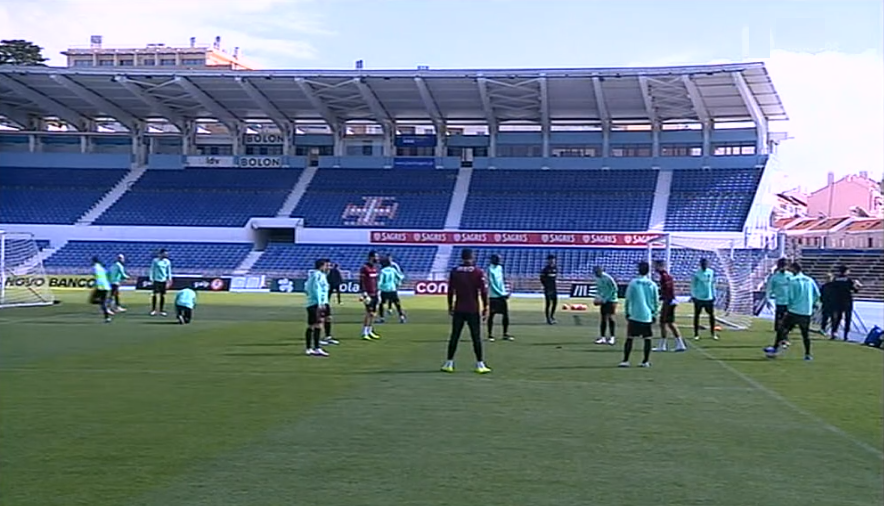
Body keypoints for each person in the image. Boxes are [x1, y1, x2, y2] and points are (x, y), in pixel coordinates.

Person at [441, 248, 491, 374]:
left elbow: (450, 290)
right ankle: (480, 364)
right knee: (476, 337)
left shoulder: (455, 271)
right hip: (473, 308)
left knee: (454, 336)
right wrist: (486, 306)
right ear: (472, 257)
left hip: (459, 308)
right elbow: (483, 291)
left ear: (461, 257)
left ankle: (449, 363)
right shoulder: (478, 272)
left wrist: (450, 305)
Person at [765, 262, 819, 360]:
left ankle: (776, 347)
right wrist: (811, 304)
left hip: (794, 310)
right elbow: (817, 295)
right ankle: (808, 354)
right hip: (806, 311)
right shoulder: (810, 280)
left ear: (794, 269)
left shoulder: (792, 281)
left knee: (782, 328)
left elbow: (790, 297)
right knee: (805, 334)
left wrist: (790, 305)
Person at [620, 261, 659, 368]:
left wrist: (627, 312)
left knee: (630, 338)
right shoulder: (652, 284)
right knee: (647, 339)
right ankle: (645, 361)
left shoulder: (633, 283)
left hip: (635, 315)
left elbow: (628, 299)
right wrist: (655, 313)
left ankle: (625, 360)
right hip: (647, 315)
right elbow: (656, 301)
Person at [654, 261, 686, 352]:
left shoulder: (664, 277)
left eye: (656, 266)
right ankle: (679, 344)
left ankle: (663, 345)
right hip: (670, 301)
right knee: (669, 323)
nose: (654, 268)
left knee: (663, 322)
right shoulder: (666, 276)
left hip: (669, 301)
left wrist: (663, 298)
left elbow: (668, 290)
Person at [304, 258, 331, 357]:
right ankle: (315, 348)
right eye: (325, 265)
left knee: (313, 325)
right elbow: (317, 289)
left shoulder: (315, 275)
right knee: (317, 325)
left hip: (313, 303)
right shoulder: (317, 275)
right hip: (316, 303)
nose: (327, 267)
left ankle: (310, 348)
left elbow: (306, 288)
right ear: (321, 266)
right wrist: (320, 302)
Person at [829, 265, 862, 341]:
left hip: (837, 301)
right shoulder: (848, 280)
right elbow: (855, 290)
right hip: (847, 301)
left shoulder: (835, 279)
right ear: (846, 271)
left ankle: (833, 333)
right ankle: (845, 336)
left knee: (837, 318)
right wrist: (858, 285)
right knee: (847, 318)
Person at [691, 258, 718, 340]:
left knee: (711, 315)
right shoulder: (696, 273)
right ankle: (696, 334)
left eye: (706, 263)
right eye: (703, 263)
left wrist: (714, 295)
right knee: (697, 315)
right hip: (699, 298)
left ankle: (713, 333)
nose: (704, 265)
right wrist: (693, 295)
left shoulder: (711, 272)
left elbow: (713, 284)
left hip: (709, 298)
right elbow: (693, 285)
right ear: (700, 264)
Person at [487, 254, 513, 341]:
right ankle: (490, 334)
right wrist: (500, 293)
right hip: (494, 296)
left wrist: (505, 291)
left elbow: (501, 281)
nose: (499, 260)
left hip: (502, 294)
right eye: (497, 259)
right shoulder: (490, 269)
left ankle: (505, 334)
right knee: (491, 315)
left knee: (505, 315)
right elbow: (492, 283)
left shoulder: (500, 268)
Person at [592, 266, 618, 345]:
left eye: (597, 272)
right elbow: (599, 289)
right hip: (603, 300)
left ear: (600, 271)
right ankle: (602, 337)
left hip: (611, 300)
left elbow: (614, 289)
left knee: (611, 318)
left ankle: (612, 337)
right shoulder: (597, 279)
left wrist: (606, 299)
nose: (596, 274)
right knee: (603, 318)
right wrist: (597, 297)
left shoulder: (608, 278)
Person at [766, 258, 793, 333]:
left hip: (789, 301)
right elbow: (769, 288)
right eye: (781, 266)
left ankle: (786, 331)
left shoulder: (791, 276)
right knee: (779, 318)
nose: (783, 268)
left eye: (784, 266)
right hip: (779, 301)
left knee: (789, 318)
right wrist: (767, 299)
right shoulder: (775, 277)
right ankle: (779, 331)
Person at [377, 257, 407, 324]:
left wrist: (378, 287)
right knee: (397, 304)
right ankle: (401, 317)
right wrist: (398, 281)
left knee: (381, 304)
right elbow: (400, 277)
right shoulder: (393, 270)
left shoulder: (383, 271)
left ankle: (382, 318)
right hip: (393, 289)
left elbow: (380, 281)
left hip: (384, 290)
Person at [359, 251, 381, 340]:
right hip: (368, 294)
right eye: (376, 256)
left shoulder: (375, 268)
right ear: (371, 257)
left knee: (373, 314)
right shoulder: (364, 268)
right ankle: (364, 332)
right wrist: (364, 293)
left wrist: (378, 292)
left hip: (375, 293)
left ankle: (370, 330)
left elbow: (375, 281)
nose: (378, 258)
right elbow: (362, 281)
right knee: (369, 313)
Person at [318, 258, 339, 346]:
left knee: (328, 318)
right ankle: (317, 339)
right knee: (319, 320)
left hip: (326, 301)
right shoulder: (318, 276)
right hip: (319, 302)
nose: (329, 267)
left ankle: (328, 337)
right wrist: (319, 302)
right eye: (327, 265)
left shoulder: (329, 275)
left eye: (329, 265)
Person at [149, 249, 173, 316]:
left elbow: (169, 271)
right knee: (154, 294)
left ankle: (161, 310)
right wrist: (151, 278)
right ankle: (153, 310)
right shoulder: (155, 261)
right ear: (161, 254)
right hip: (156, 280)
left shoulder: (167, 262)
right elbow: (152, 269)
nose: (166, 255)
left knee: (162, 295)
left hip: (163, 280)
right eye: (164, 254)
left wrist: (169, 279)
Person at [90, 257, 113, 323]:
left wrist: (94, 283)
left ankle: (105, 304)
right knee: (102, 302)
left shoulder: (95, 267)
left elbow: (96, 276)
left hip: (100, 286)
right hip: (106, 286)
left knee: (92, 300)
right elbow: (107, 275)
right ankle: (107, 317)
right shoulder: (102, 268)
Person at [540, 254, 558, 325]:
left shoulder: (555, 268)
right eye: (551, 259)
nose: (552, 261)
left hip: (554, 288)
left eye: (553, 259)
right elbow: (542, 279)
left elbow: (554, 278)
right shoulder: (545, 269)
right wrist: (545, 286)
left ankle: (552, 316)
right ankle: (548, 318)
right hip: (548, 289)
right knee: (548, 304)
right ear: (548, 261)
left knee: (555, 303)